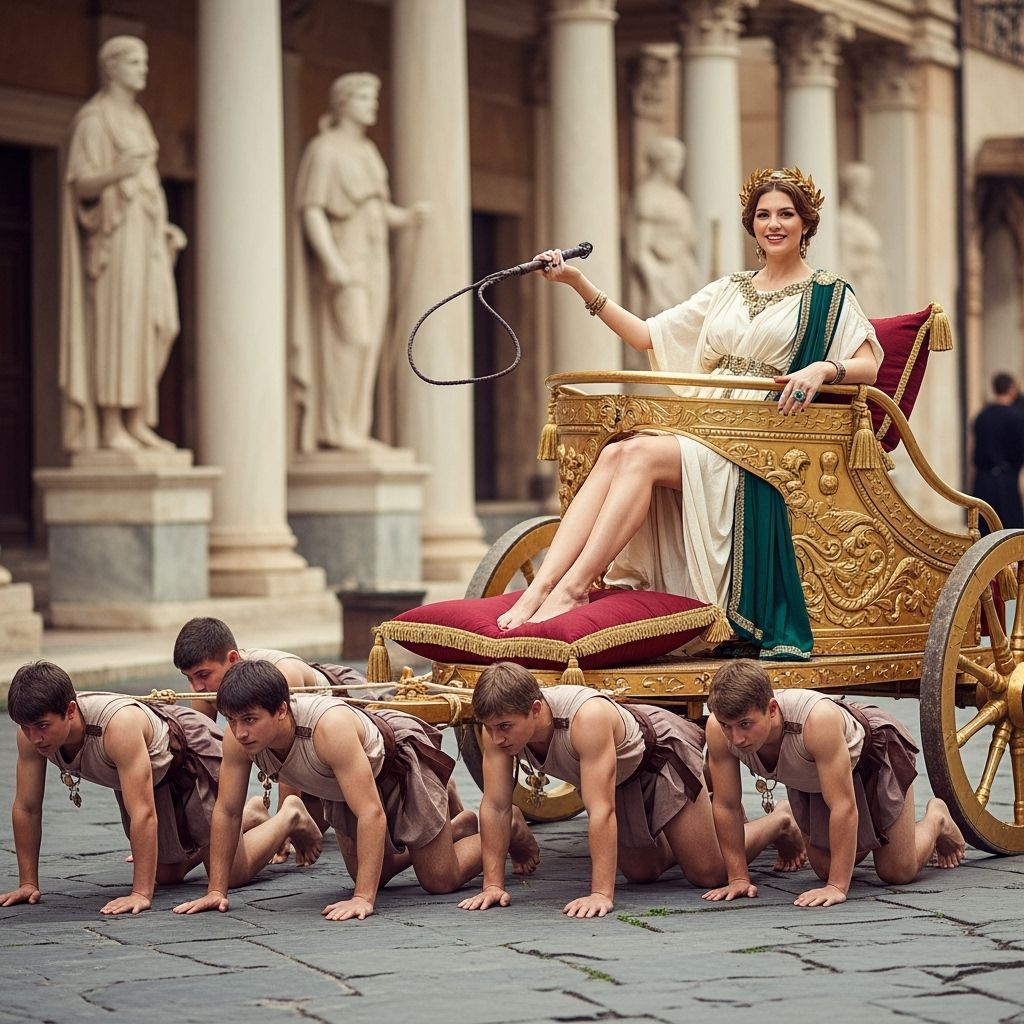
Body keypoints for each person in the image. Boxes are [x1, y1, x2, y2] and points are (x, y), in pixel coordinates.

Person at [498, 167, 883, 662]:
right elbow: (644, 334)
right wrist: (576, 281)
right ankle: (543, 587)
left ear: (806, 223)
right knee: (617, 453)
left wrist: (823, 368)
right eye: (763, 215)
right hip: (704, 424)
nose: (774, 224)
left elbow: (869, 365)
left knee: (637, 455)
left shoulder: (829, 294)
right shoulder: (727, 289)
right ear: (751, 224)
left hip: (762, 449)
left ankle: (573, 589)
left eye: (786, 214)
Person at [173, 660, 537, 921]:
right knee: (378, 871)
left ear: (281, 710)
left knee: (439, 880)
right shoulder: (238, 738)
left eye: (250, 720)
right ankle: (455, 828)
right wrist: (216, 890)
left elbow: (371, 812)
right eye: (233, 720)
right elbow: (227, 811)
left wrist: (363, 898)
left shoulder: (327, 728)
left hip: (398, 766)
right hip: (343, 787)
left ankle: (508, 827)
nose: (240, 732)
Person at [458, 663, 804, 919]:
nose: (497, 737)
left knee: (708, 872)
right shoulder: (497, 729)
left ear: (535, 710)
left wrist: (600, 893)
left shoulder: (586, 718)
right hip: (621, 779)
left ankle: (780, 821)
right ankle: (693, 827)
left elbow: (600, 809)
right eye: (490, 728)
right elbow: (496, 806)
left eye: (505, 727)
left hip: (659, 757)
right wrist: (493, 885)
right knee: (641, 872)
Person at [1, 661, 315, 916]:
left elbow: (142, 812)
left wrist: (140, 893)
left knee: (231, 873)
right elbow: (27, 807)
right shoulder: (30, 733)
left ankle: (289, 815)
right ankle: (251, 815)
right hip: (153, 777)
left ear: (70, 711)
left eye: (43, 726)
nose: (35, 737)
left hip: (190, 756)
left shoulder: (117, 726)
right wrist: (28, 883)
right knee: (166, 874)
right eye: (26, 727)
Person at [703, 660, 966, 908]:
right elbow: (726, 805)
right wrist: (738, 878)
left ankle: (937, 818)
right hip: (814, 777)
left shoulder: (817, 721)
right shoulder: (717, 728)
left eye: (745, 724)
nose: (736, 738)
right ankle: (868, 841)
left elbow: (842, 806)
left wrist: (837, 886)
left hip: (872, 757)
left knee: (896, 871)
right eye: (727, 726)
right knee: (825, 869)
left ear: (772, 709)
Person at [60, 36, 186, 453]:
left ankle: (138, 419)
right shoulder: (94, 120)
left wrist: (163, 228)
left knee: (161, 325)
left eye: (144, 61)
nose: (143, 69)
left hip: (146, 236)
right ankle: (113, 423)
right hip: (115, 241)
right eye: (134, 62)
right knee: (121, 327)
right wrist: (116, 173)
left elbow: (147, 183)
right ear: (111, 67)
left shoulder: (137, 118)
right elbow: (80, 184)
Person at [290, 72, 428, 452]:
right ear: (343, 102)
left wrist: (406, 217)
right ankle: (334, 428)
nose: (373, 105)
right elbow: (312, 210)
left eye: (374, 97)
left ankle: (355, 426)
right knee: (353, 339)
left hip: (374, 260)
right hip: (347, 258)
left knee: (370, 347)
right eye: (365, 97)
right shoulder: (324, 150)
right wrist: (332, 262)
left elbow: (375, 208)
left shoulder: (367, 152)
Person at [173, 616, 382, 863]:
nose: (196, 687)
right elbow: (201, 757)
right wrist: (180, 835)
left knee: (346, 828)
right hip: (302, 763)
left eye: (203, 675)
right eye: (189, 678)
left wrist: (285, 834)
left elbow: (291, 755)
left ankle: (287, 816)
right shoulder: (204, 689)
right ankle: (255, 815)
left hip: (333, 756)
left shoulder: (285, 674)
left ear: (233, 659)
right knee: (222, 845)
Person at [627, 137, 701, 321]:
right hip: (661, 272)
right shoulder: (648, 195)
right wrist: (653, 277)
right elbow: (640, 246)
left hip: (682, 268)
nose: (680, 166)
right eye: (675, 160)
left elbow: (689, 235)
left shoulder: (677, 197)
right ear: (661, 162)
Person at [971, 372, 1024, 535]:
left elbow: (974, 452)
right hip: (1006, 483)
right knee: (1009, 532)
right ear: (1011, 389)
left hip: (982, 481)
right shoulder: (1017, 416)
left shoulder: (981, 416)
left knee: (985, 532)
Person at [838, 161, 889, 316]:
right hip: (861, 288)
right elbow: (844, 263)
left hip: (875, 287)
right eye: (863, 190)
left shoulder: (863, 224)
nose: (867, 195)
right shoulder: (842, 222)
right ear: (851, 190)